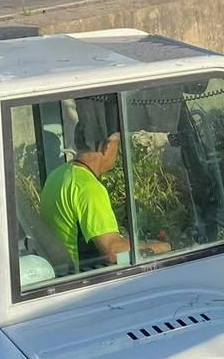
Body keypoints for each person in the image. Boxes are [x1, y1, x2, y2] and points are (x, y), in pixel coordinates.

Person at [40, 98, 169, 271]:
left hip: (61, 271)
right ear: (107, 146)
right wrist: (161, 247)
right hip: (79, 276)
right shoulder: (88, 188)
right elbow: (113, 252)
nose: (118, 151)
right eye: (118, 145)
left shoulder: (57, 175)